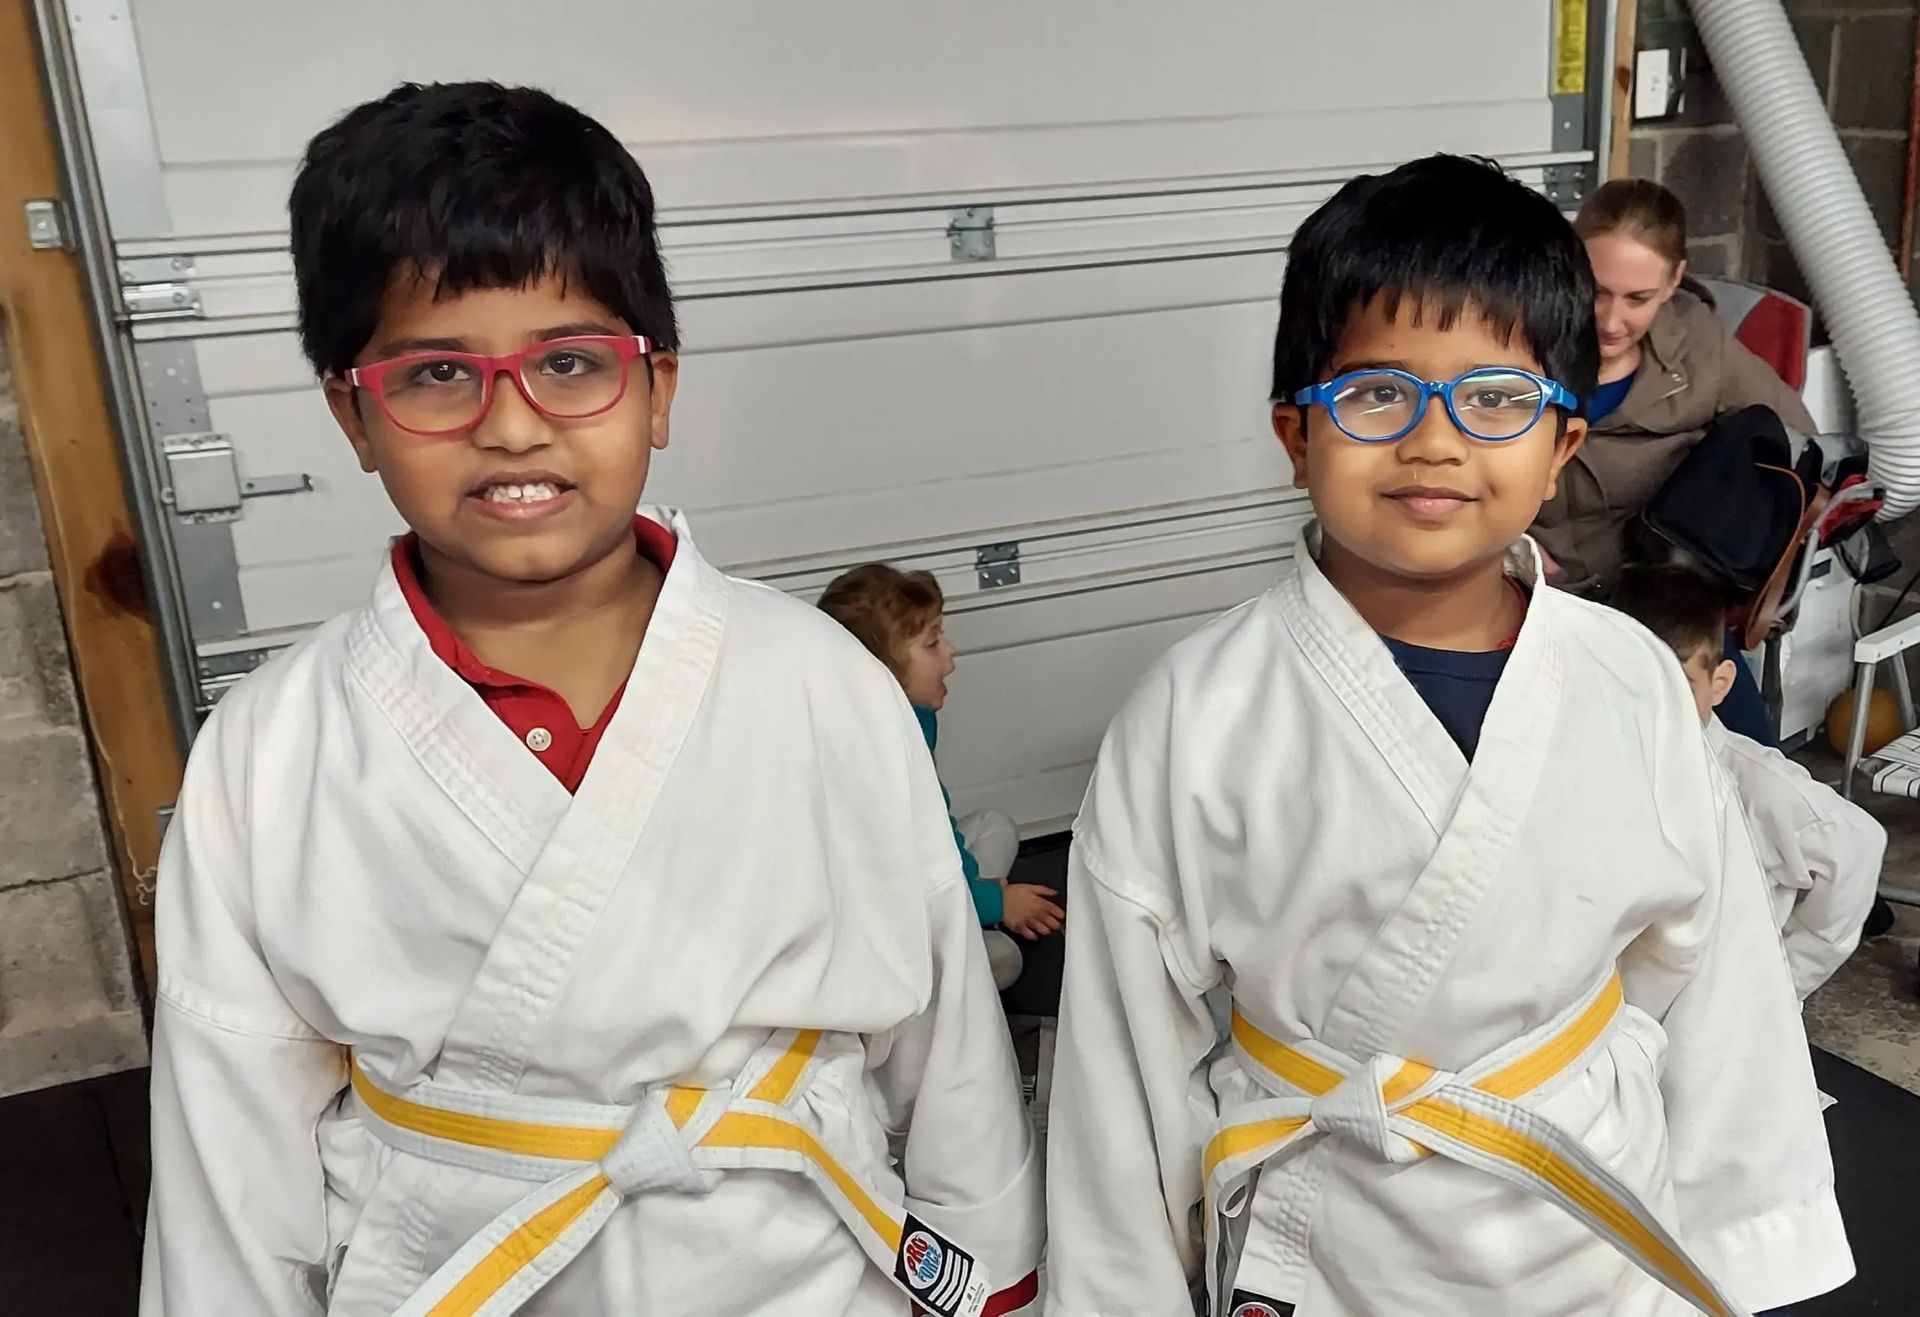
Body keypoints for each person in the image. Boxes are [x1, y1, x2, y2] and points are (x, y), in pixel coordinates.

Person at [140, 82, 1041, 1317]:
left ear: (659, 389)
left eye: (571, 363)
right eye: (436, 374)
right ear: (354, 413)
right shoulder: (270, 751)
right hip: (468, 1271)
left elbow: (948, 1052)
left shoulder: (820, 680)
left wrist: (991, 1275)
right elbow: (227, 1146)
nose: (511, 425)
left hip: (802, 1264)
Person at [1045, 155, 1850, 1317]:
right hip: (1327, 1231)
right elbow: (1119, 1064)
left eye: (1496, 399)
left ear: (1563, 446)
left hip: (1585, 1213)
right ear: (1294, 432)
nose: (1434, 441)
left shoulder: (1626, 673)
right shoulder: (1195, 710)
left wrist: (1744, 1238)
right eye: (1377, 395)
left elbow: (1716, 976)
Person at [1538, 178, 1821, 746]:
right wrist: (1502, 543)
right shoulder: (1522, 331)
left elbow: (1794, 440)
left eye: (1637, 298)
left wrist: (1717, 518)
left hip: (1660, 592)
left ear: (1672, 281)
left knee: (1750, 758)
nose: (1612, 320)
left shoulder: (1698, 341)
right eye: (1596, 291)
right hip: (1539, 596)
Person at [1609, 565, 1886, 1000]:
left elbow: (1858, 845)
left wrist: (1783, 982)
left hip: (1723, 1009)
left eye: (1677, 686)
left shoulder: (1758, 782)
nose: (1653, 706)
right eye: (1629, 684)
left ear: (1719, 685)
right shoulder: (1599, 757)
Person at [819, 564, 1066, 991]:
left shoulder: (911, 717)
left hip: (916, 887)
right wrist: (996, 902)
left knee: (992, 826)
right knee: (1002, 960)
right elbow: (911, 868)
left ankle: (967, 922)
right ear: (878, 671)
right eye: (932, 642)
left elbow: (936, 826)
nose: (950, 655)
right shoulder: (872, 757)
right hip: (879, 922)